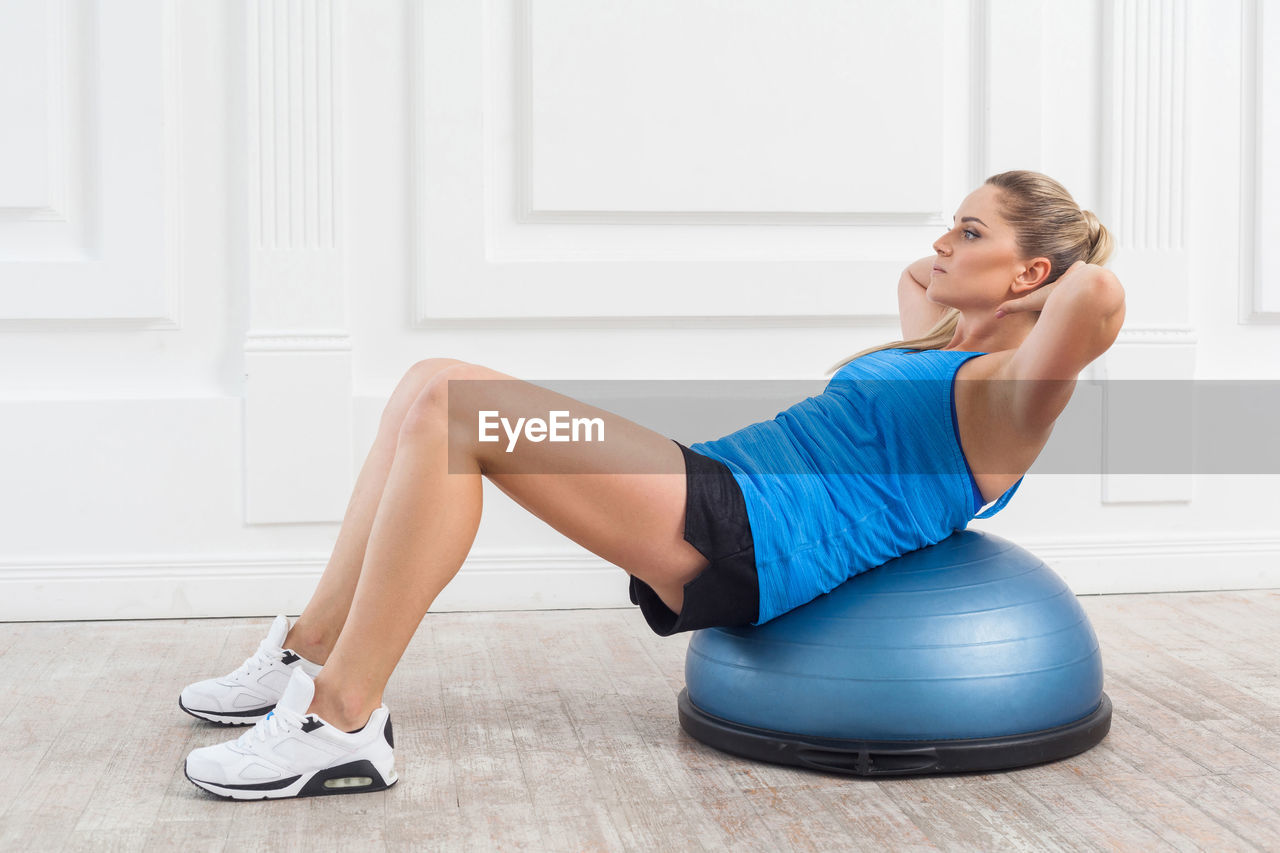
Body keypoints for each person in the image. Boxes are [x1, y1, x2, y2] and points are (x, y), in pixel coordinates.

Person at [179, 170, 1125, 799]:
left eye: (971, 230)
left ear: (1033, 271)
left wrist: (1044, 287)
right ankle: (309, 650)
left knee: (461, 409)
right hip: (721, 488)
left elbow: (1099, 298)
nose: (944, 244)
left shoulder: (1014, 394)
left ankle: (343, 719)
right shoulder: (940, 339)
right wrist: (988, 276)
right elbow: (915, 272)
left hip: (758, 535)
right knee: (431, 381)